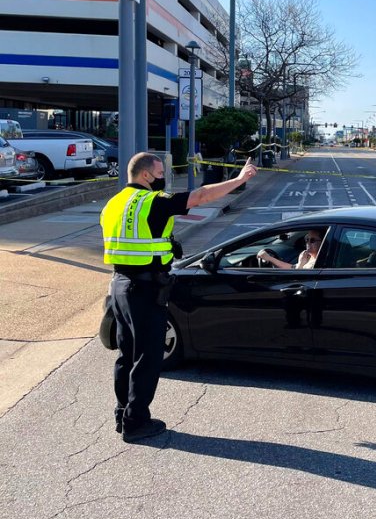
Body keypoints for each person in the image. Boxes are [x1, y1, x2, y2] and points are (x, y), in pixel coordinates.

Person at [100, 152, 258, 442]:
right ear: (146, 175)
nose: (164, 177)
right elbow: (199, 197)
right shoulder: (151, 202)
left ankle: (123, 414)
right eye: (160, 172)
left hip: (120, 286)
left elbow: (134, 241)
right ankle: (136, 423)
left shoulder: (114, 203)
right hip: (146, 289)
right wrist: (239, 179)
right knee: (147, 358)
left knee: (126, 355)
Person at [257, 229, 324, 269]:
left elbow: (300, 279)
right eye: (307, 239)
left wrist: (301, 264)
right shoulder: (307, 256)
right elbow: (292, 268)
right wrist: (270, 258)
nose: (308, 243)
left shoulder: (322, 261)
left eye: (312, 240)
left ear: (322, 242)